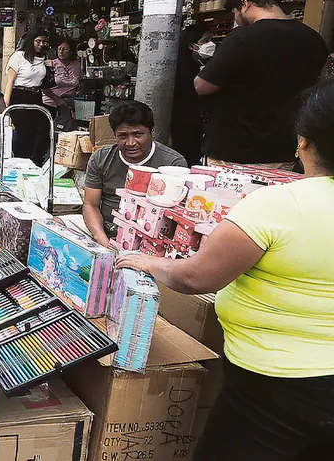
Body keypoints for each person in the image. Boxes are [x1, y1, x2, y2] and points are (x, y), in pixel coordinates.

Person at [116, 80, 334, 461]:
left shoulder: (279, 204)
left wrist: (147, 260)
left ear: (303, 140)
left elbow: (194, 277)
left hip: (273, 384)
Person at [196, 0, 328, 169]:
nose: (236, 19)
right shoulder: (314, 40)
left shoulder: (242, 37)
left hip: (234, 149)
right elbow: (319, 87)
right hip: (285, 149)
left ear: (245, 4)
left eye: (235, 12)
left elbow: (203, 86)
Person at [83, 101, 187, 247]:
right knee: (58, 225)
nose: (131, 143)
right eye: (123, 136)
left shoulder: (173, 163)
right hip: (105, 228)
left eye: (138, 134)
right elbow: (90, 204)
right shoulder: (101, 158)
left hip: (151, 237)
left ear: (152, 131)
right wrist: (103, 241)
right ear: (114, 135)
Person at [4, 28, 51, 166]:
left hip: (35, 95)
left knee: (43, 128)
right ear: (31, 41)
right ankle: (21, 161)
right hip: (19, 95)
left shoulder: (44, 58)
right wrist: (6, 102)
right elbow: (10, 81)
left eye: (43, 41)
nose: (41, 44)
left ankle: (36, 162)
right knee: (24, 131)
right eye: (38, 41)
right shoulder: (18, 56)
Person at [171, 25, 213, 166]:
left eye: (211, 40)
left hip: (200, 131)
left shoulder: (206, 67)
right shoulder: (177, 70)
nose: (211, 45)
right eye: (205, 40)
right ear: (191, 46)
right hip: (181, 130)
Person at [42, 38, 82, 127]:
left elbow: (79, 82)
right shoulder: (51, 64)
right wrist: (58, 100)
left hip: (68, 105)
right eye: (59, 49)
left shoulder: (76, 65)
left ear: (71, 51)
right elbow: (44, 88)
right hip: (50, 103)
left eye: (65, 49)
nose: (61, 52)